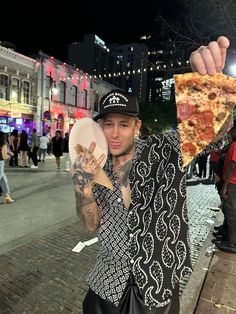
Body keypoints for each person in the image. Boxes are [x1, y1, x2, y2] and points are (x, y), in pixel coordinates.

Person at [71, 36, 233, 313]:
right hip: (107, 283)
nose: (115, 133)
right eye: (108, 124)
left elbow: (214, 133)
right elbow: (91, 224)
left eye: (124, 124)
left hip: (156, 287)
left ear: (137, 126)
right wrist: (82, 188)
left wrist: (209, 84)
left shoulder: (165, 149)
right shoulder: (95, 165)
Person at [214, 126, 236, 253]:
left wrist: (225, 186)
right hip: (231, 182)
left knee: (231, 213)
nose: (229, 132)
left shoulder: (235, 146)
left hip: (232, 183)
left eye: (232, 130)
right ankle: (229, 238)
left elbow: (232, 166)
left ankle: (233, 242)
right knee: (229, 211)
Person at [0, 131, 14, 204]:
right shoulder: (3, 144)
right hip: (0, 163)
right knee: (3, 180)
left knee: (4, 180)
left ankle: (7, 197)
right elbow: (4, 156)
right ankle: (6, 197)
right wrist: (9, 156)